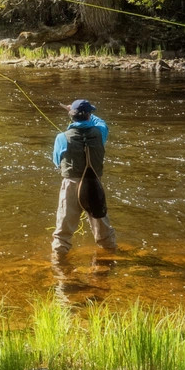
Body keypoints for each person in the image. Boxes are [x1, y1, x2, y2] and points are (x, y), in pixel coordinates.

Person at [51, 99, 116, 261]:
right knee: (103, 229)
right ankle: (107, 262)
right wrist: (81, 113)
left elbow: (56, 161)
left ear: (71, 117)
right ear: (89, 115)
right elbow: (101, 121)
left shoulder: (61, 138)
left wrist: (72, 112)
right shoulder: (100, 131)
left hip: (71, 186)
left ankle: (59, 267)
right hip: (94, 185)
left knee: (63, 230)